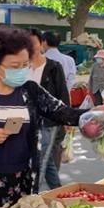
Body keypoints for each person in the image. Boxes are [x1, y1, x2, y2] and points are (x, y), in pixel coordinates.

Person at [0, 29, 86, 206]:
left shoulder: (30, 90)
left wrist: (98, 113)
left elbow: (63, 113)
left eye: (25, 64)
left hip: (22, 180)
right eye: (14, 66)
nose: (22, 70)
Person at [28, 29, 70, 190]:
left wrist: (66, 118)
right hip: (27, 121)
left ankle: (33, 195)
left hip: (48, 120)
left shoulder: (53, 67)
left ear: (41, 44)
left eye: (33, 43)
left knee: (40, 159)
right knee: (47, 159)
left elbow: (62, 93)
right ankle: (58, 190)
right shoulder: (21, 67)